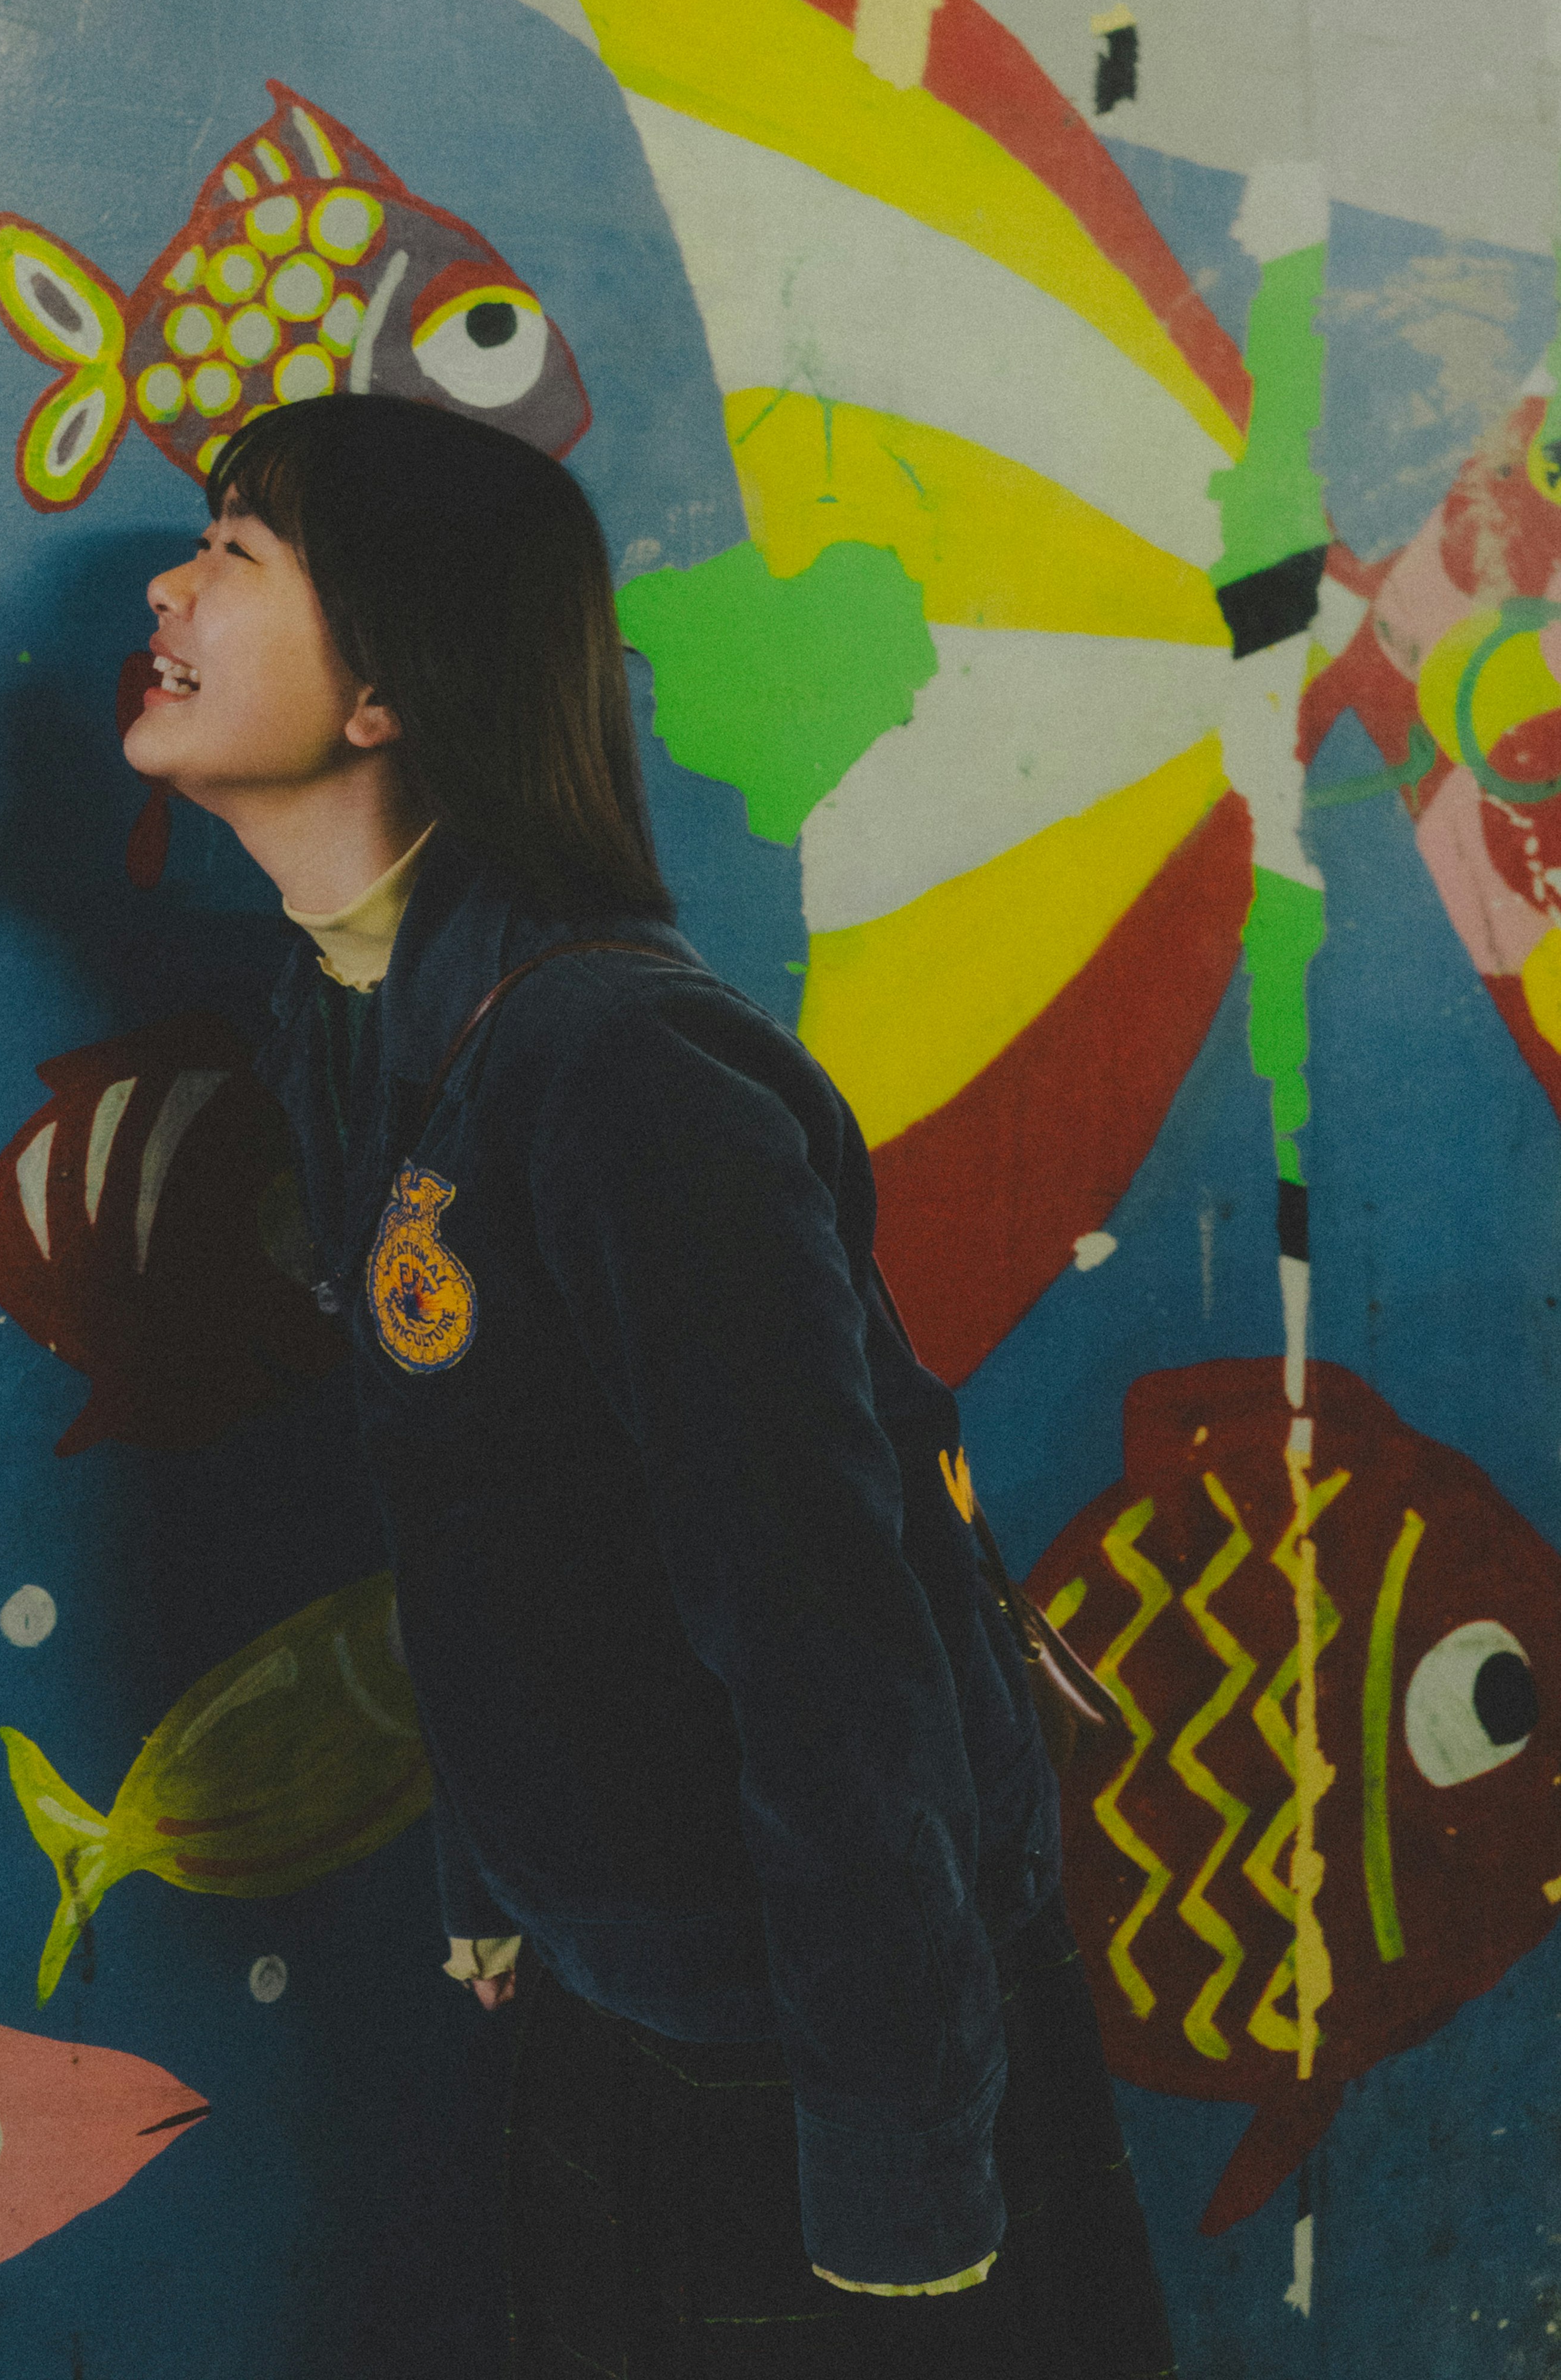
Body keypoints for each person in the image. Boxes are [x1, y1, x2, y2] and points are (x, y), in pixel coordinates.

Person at [123, 390, 1173, 2380]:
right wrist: (502, 1876)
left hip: (802, 2035)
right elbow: (483, 1502)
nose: (168, 586)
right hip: (621, 1991)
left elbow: (829, 1642)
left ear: (385, 693)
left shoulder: (617, 1071)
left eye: (237, 555)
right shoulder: (363, 1027)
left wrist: (899, 2178)